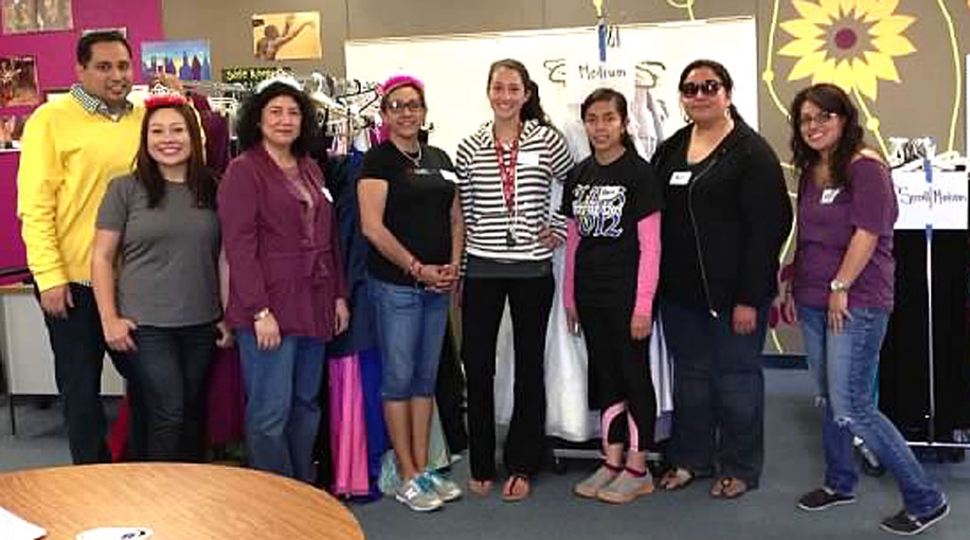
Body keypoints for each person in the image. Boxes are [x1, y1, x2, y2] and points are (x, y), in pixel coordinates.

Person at [786, 83, 948, 535]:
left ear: (844, 119)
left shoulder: (866, 167)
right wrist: (795, 279)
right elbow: (810, 234)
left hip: (856, 300)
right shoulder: (812, 168)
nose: (814, 126)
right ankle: (840, 482)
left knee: (854, 404)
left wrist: (840, 285)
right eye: (806, 119)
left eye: (824, 116)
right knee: (828, 398)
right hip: (814, 295)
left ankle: (925, 498)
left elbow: (867, 233)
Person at [651, 59, 792, 498]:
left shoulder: (752, 152)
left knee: (737, 379)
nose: (699, 95)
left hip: (735, 296)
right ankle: (691, 458)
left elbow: (769, 227)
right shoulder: (672, 147)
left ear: (727, 94)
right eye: (690, 88)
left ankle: (740, 466)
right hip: (681, 295)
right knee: (690, 379)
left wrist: (750, 297)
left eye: (709, 86)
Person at [17, 31, 146, 464]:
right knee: (82, 390)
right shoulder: (50, 120)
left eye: (123, 66)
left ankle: (142, 473)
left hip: (134, 280)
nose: (117, 76)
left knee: (152, 381)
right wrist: (49, 277)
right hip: (73, 281)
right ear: (81, 70)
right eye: (104, 67)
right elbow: (35, 206)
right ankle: (91, 482)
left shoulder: (144, 117)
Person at [218, 76, 349, 483]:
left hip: (313, 301)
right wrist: (259, 311)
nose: (285, 120)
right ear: (257, 120)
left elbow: (329, 239)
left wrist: (339, 297)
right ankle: (274, 498)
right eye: (275, 111)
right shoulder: (243, 171)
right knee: (270, 409)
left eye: (293, 112)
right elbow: (238, 247)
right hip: (268, 305)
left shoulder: (310, 167)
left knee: (305, 403)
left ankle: (301, 489)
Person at [456, 58, 573, 501]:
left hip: (532, 269)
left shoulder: (547, 140)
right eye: (497, 88)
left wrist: (559, 229)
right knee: (479, 366)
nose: (504, 96)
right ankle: (483, 460)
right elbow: (463, 213)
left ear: (526, 94)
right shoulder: (469, 147)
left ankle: (524, 462)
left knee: (528, 366)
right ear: (488, 92)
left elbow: (572, 185)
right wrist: (463, 272)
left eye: (513, 89)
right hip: (483, 267)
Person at [91, 91, 231, 462]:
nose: (168, 139)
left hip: (201, 323)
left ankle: (190, 497)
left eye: (177, 130)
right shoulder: (124, 189)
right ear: (145, 139)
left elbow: (223, 258)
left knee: (193, 412)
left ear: (193, 136)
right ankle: (160, 501)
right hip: (146, 324)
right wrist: (109, 320)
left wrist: (226, 315)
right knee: (168, 410)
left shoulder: (214, 187)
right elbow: (102, 257)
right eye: (157, 132)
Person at [357, 75, 464, 512]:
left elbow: (456, 217)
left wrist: (453, 267)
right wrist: (417, 268)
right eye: (396, 106)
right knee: (399, 381)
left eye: (413, 105)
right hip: (397, 287)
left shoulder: (439, 157)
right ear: (384, 115)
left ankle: (424, 469)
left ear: (424, 111)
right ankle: (405, 473)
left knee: (424, 380)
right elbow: (372, 227)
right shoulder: (377, 162)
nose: (406, 112)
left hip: (438, 286)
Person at [562, 88, 663, 504]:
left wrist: (643, 305)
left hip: (628, 296)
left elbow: (652, 246)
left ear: (624, 123)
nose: (600, 127)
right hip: (590, 293)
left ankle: (638, 468)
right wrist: (570, 296)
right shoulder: (579, 173)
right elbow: (573, 241)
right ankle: (611, 459)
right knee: (604, 375)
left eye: (608, 118)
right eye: (592, 119)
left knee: (633, 375)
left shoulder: (639, 174)